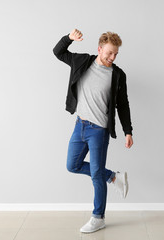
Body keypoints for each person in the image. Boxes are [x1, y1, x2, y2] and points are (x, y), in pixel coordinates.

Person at [53, 29, 134, 233]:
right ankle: (114, 177)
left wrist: (128, 131)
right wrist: (68, 38)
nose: (112, 57)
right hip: (79, 125)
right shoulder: (82, 62)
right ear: (99, 49)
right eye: (109, 53)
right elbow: (58, 52)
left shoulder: (117, 75)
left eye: (116, 54)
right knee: (72, 165)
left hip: (99, 130)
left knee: (96, 174)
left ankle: (98, 217)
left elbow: (122, 104)